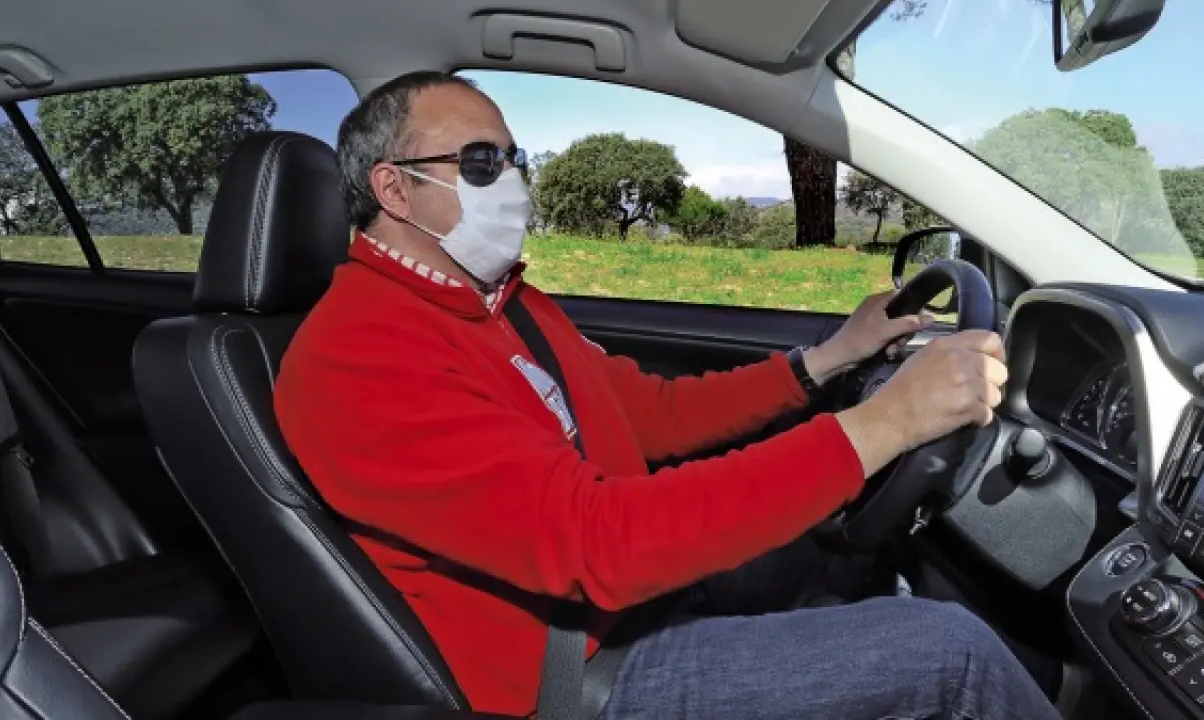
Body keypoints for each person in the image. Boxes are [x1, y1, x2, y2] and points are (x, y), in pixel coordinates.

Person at [273, 70, 1059, 720]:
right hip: (581, 672)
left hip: (635, 596)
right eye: (482, 162)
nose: (510, 182)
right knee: (950, 655)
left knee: (845, 545)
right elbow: (598, 545)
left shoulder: (506, 303)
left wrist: (828, 360)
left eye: (515, 160)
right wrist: (889, 421)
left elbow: (653, 413)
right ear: (394, 189)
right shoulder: (359, 355)